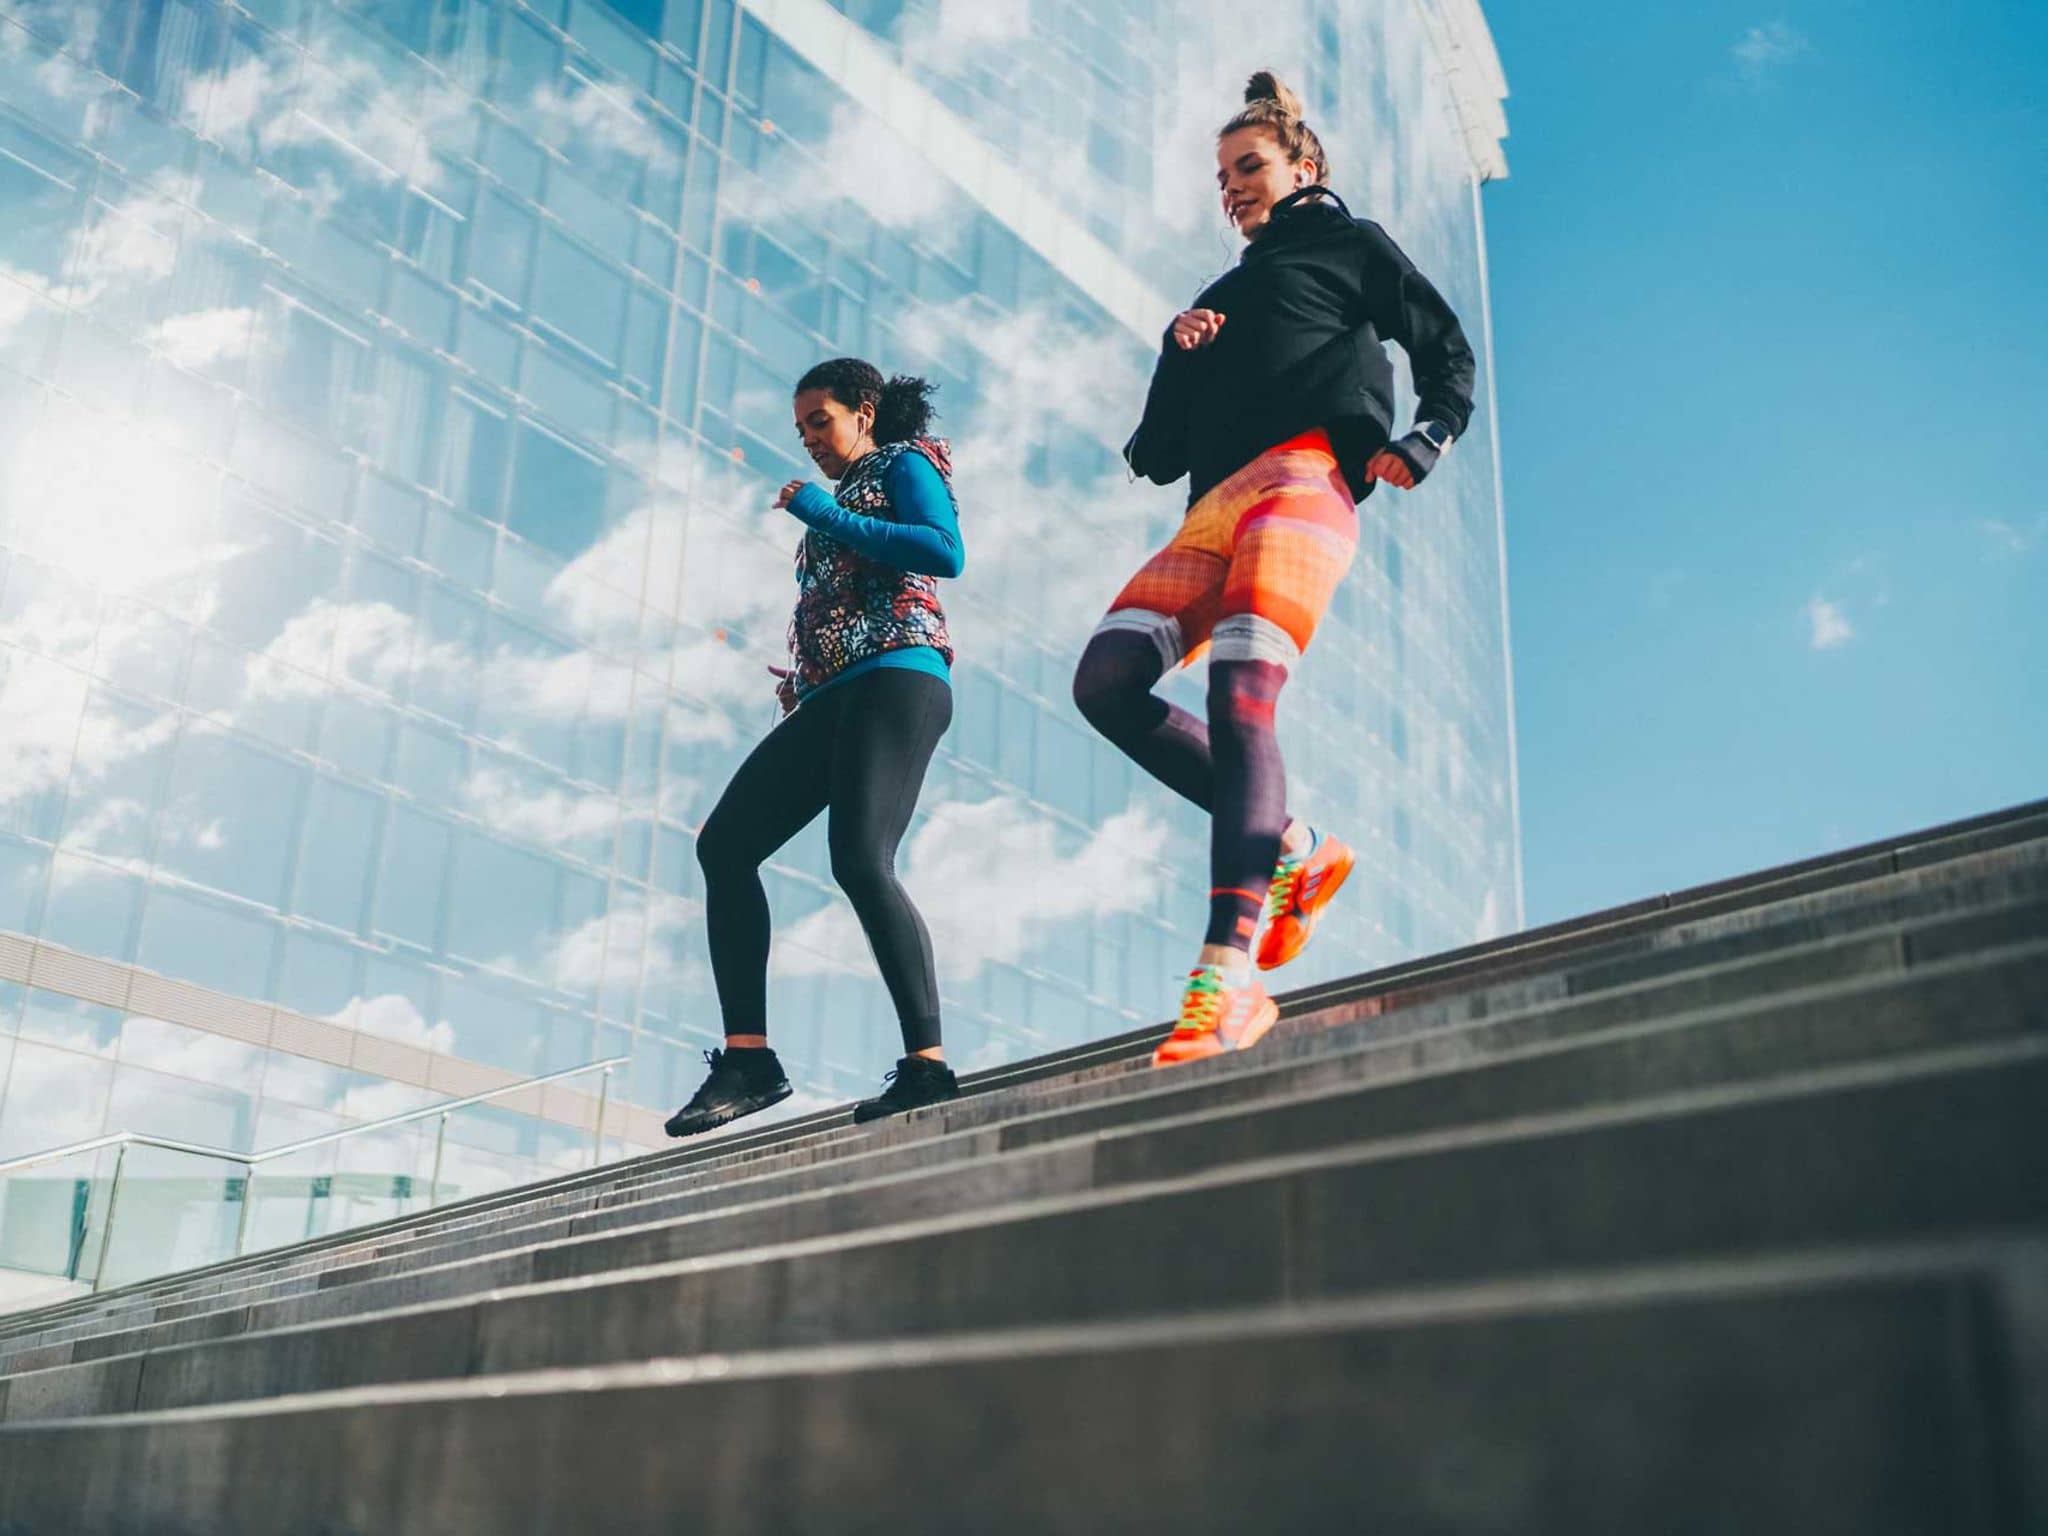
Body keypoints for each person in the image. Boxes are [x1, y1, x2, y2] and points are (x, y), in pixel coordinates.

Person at [1073, 70, 1476, 1067]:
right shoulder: (1215, 299)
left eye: (1246, 167)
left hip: (1303, 484)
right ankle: (1297, 846)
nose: (1231, 189)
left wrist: (1425, 437)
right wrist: (1176, 351)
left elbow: (1444, 349)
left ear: (1302, 166)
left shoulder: (1350, 246)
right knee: (1104, 683)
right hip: (1210, 511)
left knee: (1239, 696)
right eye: (1221, 178)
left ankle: (1228, 974)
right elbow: (1154, 453)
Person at [666, 358, 967, 1135]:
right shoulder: (840, 497)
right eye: (800, 430)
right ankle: (749, 1063)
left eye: (819, 421)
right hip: (834, 694)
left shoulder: (904, 463)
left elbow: (942, 552)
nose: (808, 440)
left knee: (859, 859)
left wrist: (819, 511)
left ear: (864, 412)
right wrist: (806, 674)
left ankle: (927, 1065)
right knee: (725, 846)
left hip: (900, 680)